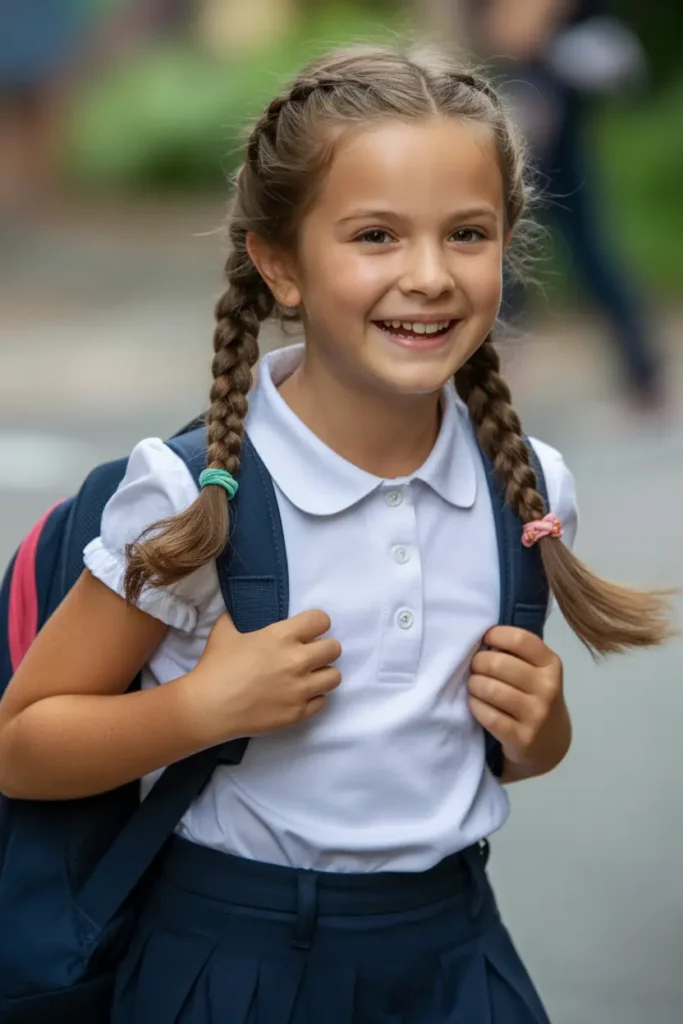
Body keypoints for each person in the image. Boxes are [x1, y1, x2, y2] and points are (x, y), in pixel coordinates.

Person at [0, 45, 672, 1023]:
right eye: (374, 236)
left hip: (453, 951)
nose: (429, 276)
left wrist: (541, 730)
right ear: (279, 263)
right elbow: (22, 741)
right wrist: (201, 707)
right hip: (232, 965)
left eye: (467, 234)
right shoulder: (191, 499)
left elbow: (473, 752)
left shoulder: (526, 487)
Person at [462, 0, 663, 410]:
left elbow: (513, 31)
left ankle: (641, 373)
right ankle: (642, 374)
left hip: (541, 98)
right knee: (529, 233)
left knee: (514, 232)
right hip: (535, 94)